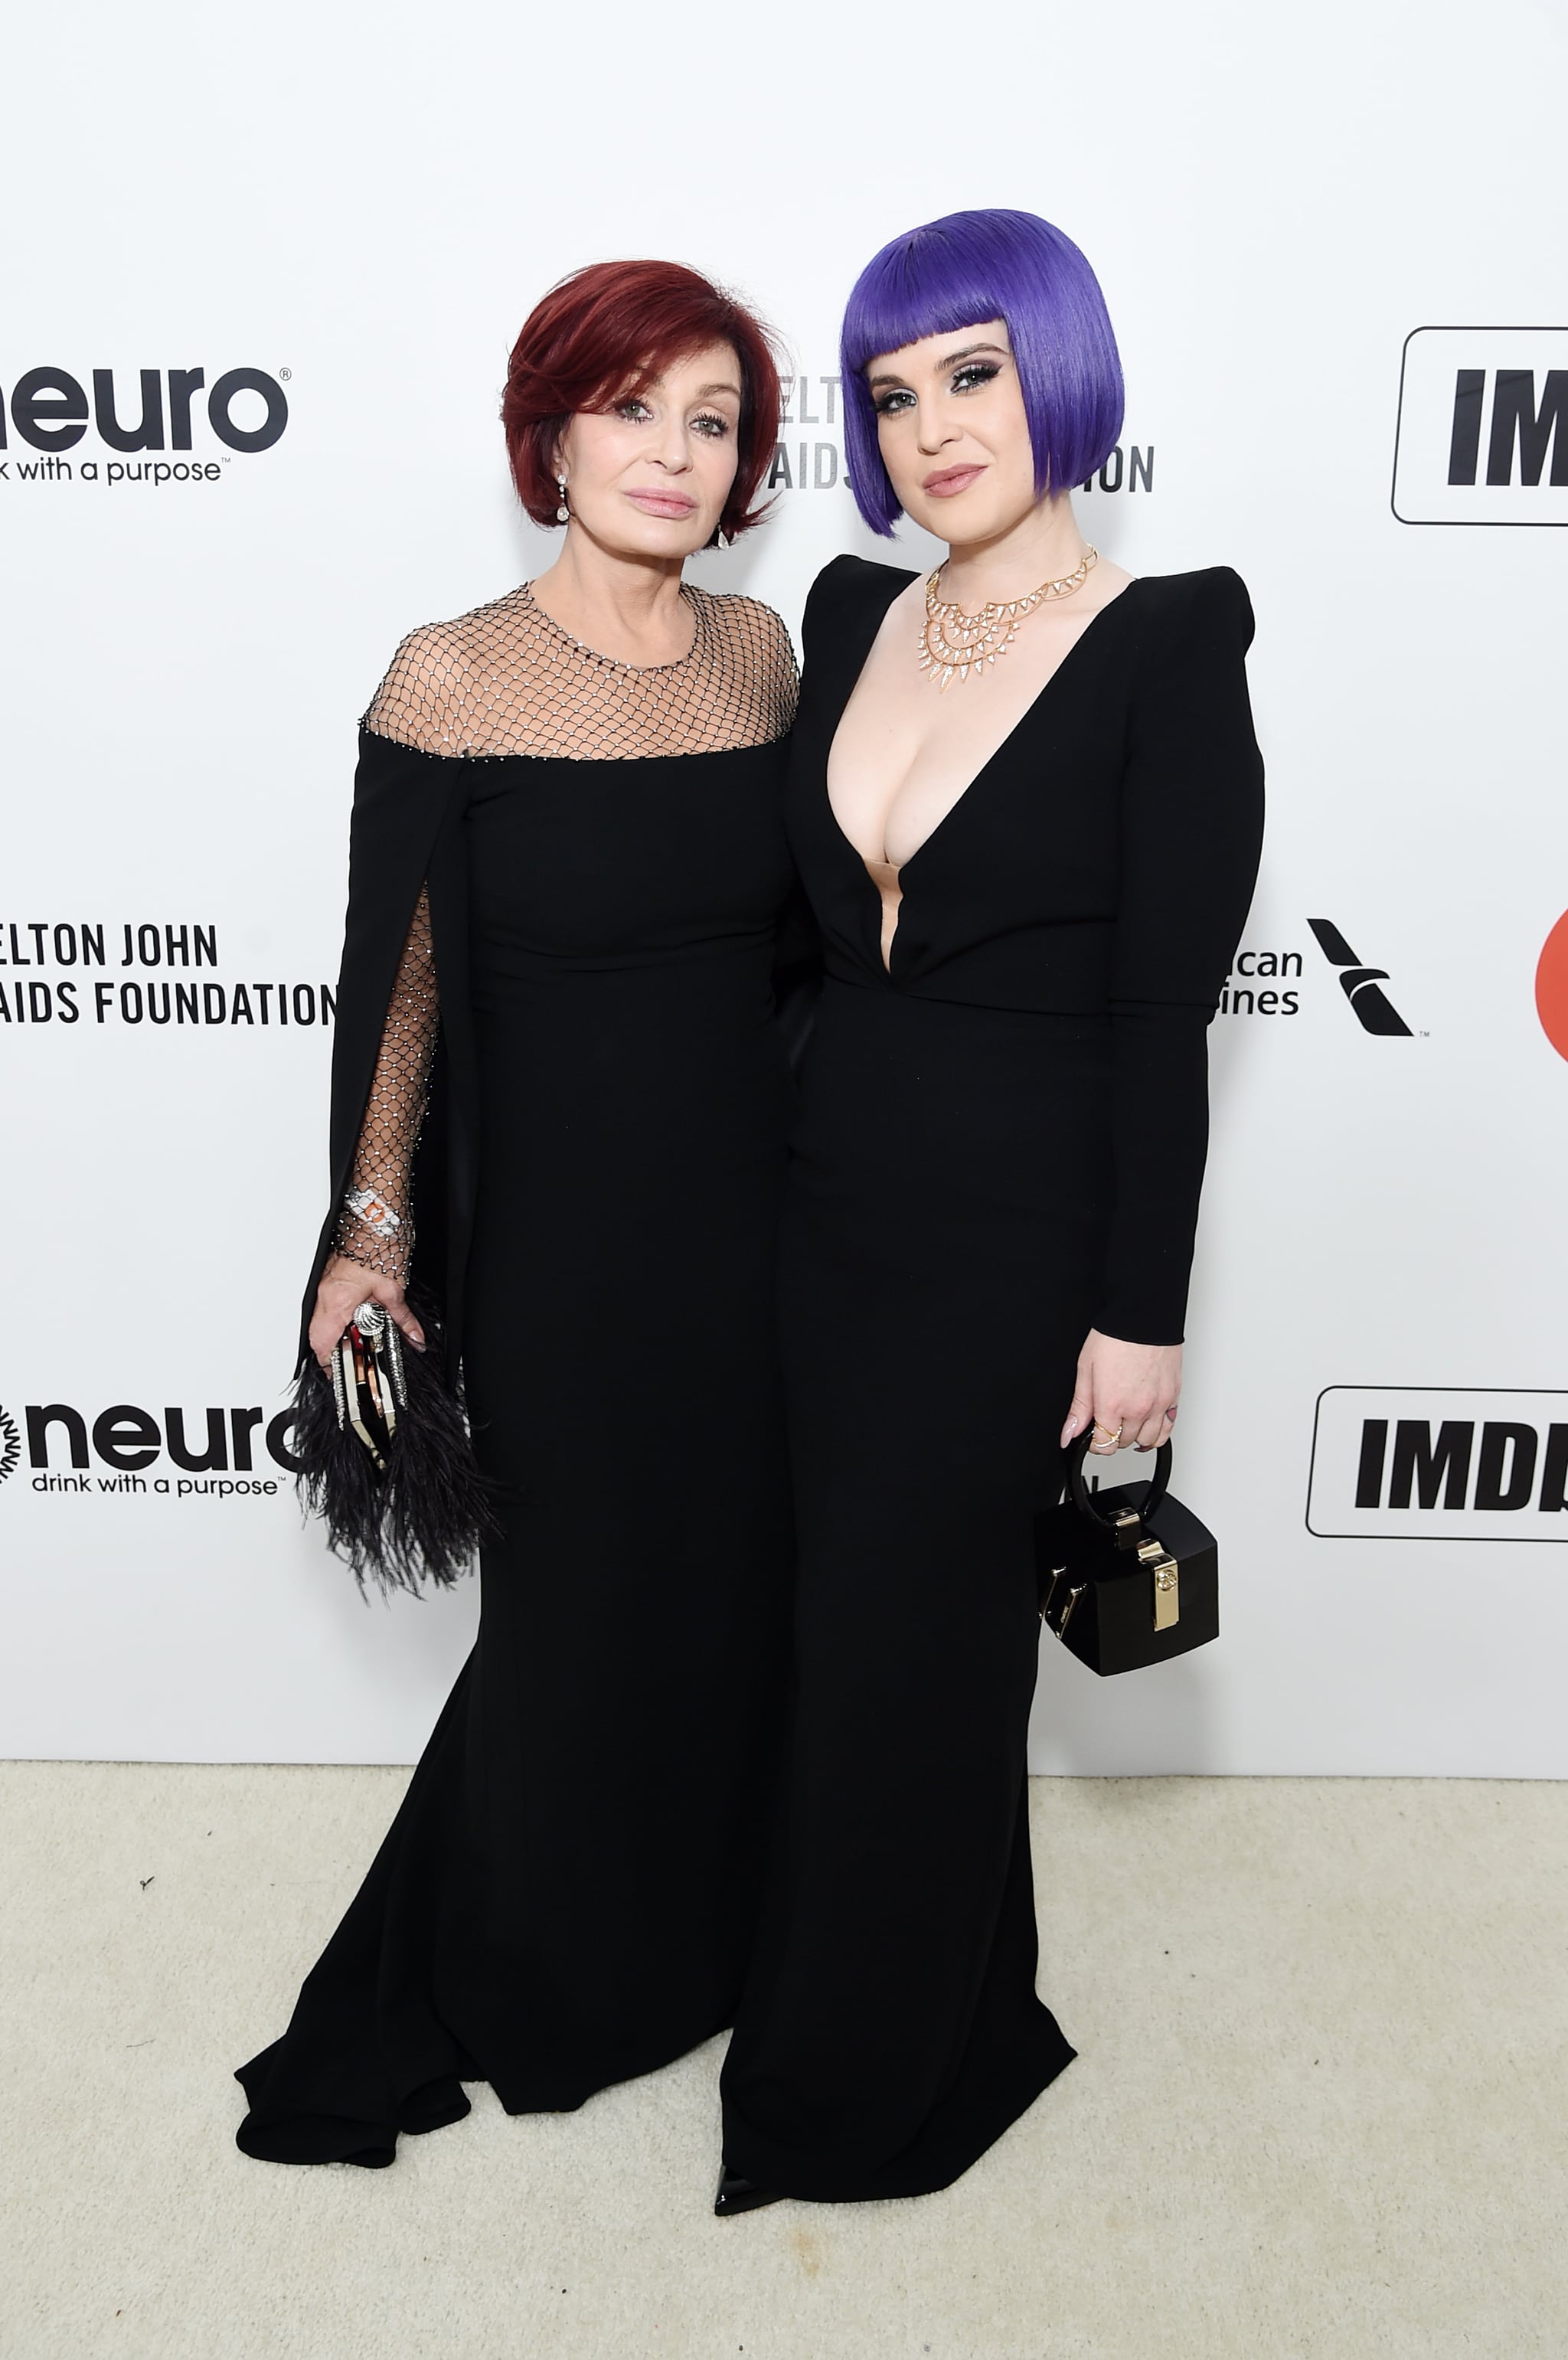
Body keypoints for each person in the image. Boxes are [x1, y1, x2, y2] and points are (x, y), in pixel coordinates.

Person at [716, 208, 1265, 2211]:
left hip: (1010, 1236)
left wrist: (1141, 1309)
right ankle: (900, 1982)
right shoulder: (853, 613)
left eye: (974, 370)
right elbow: (785, 949)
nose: (934, 424)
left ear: (1061, 370)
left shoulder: (1169, 639)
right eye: (891, 391)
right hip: (808, 1202)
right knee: (811, 1626)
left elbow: (1160, 1013)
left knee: (919, 1646)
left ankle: (876, 2076)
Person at [236, 258, 808, 2167]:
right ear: (548, 432)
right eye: (631, 406)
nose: (672, 451)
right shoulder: (452, 671)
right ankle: (546, 1963)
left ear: (744, 466)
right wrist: (371, 1233)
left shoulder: (761, 659)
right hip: (557, 1244)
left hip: (756, 1231)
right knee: (571, 1613)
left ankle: (705, 1934)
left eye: (711, 420)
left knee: (727, 1597)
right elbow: (394, 984)